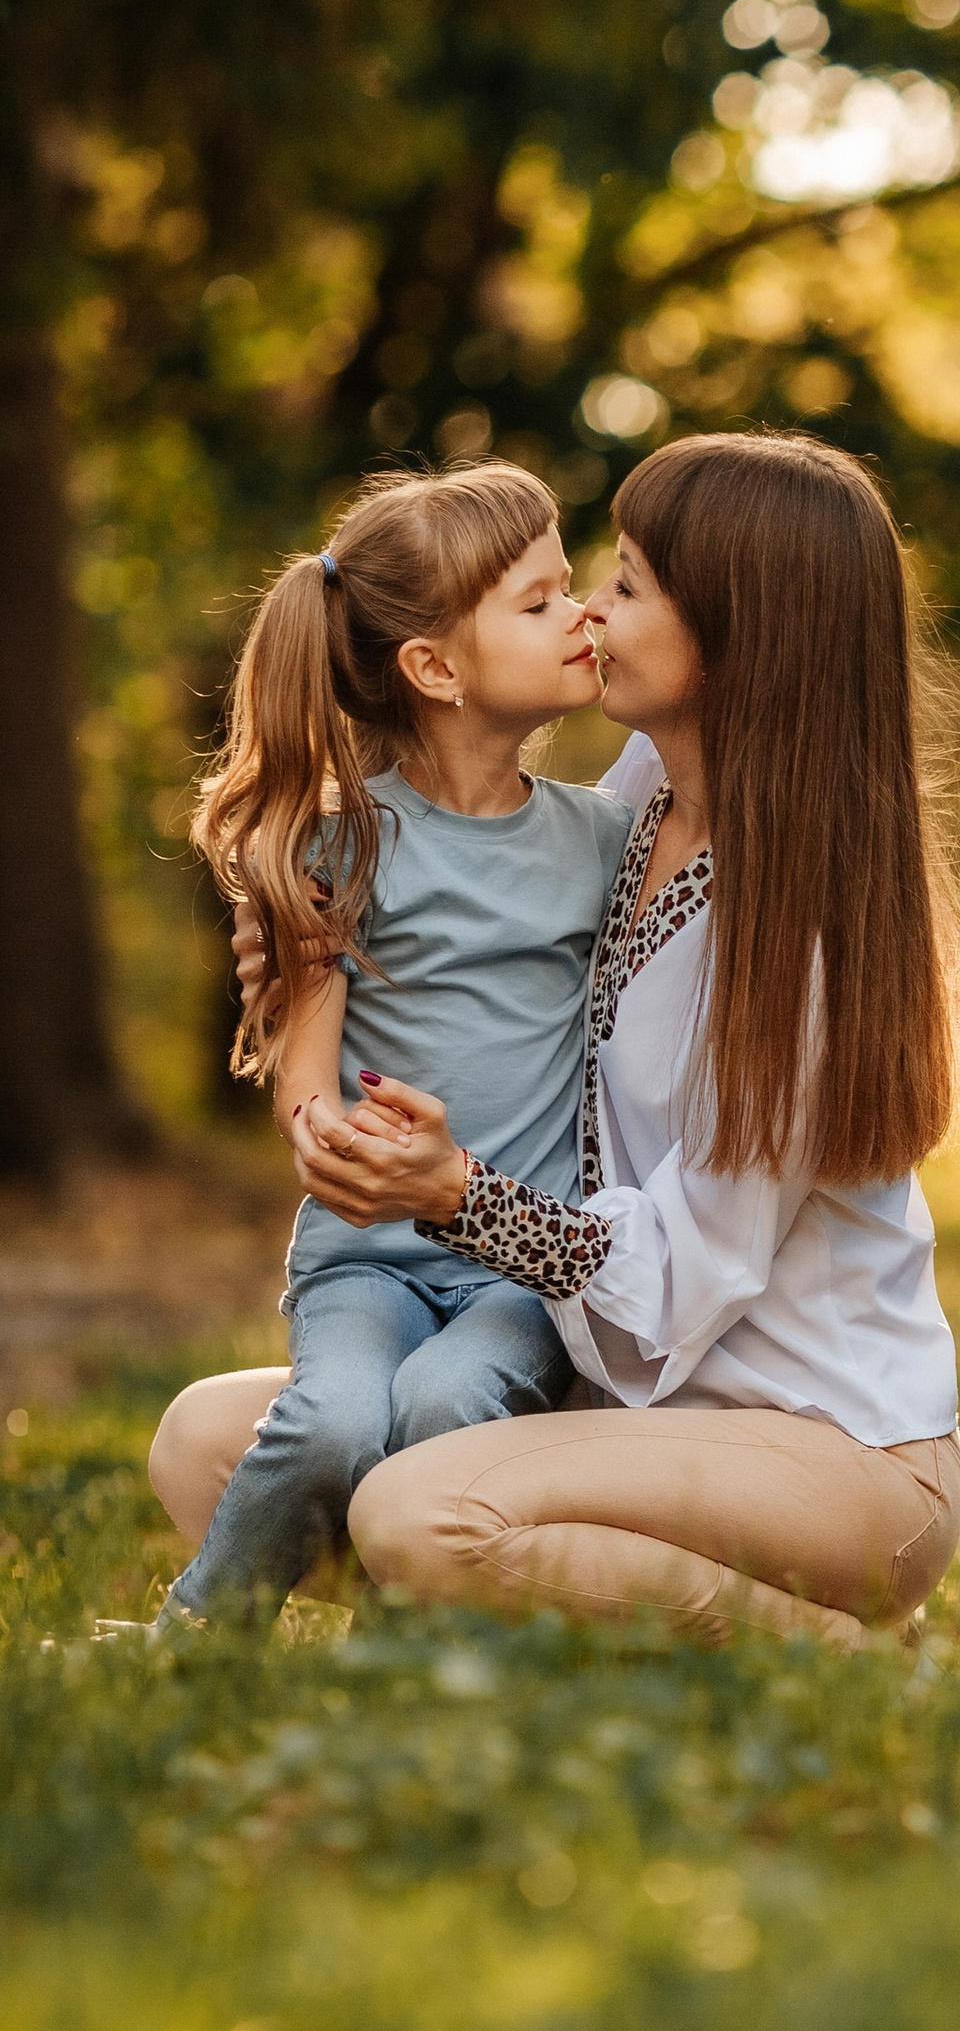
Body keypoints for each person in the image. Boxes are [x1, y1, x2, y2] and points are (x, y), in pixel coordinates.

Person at [155, 431, 960, 1646]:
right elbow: (466, 915)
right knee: (202, 1444)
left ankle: (848, 1655)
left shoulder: (798, 937)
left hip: (815, 1437)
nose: (591, 610)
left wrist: (461, 1196)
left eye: (629, 584)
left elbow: (681, 1280)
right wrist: (298, 939)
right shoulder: (642, 797)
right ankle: (499, 1615)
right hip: (623, 1404)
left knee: (411, 1512)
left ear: (739, 633)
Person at [150, 466, 630, 1621]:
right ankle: (194, 1636)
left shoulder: (606, 839)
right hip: (367, 1259)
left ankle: (425, 1662)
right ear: (435, 669)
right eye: (538, 602)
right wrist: (329, 1140)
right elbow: (304, 1075)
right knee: (332, 1421)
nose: (581, 613)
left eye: (569, 586)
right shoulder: (343, 847)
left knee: (446, 1407)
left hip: (520, 1264)